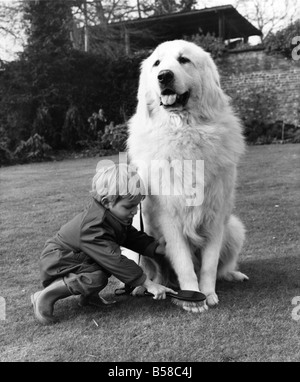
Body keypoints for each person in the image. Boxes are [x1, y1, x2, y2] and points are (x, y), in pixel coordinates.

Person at [31, 163, 176, 325]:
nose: (135, 211)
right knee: (96, 277)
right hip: (58, 261)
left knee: (101, 267)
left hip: (74, 259)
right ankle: (45, 296)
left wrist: (155, 247)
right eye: (129, 206)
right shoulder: (94, 226)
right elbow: (114, 259)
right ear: (107, 202)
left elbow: (131, 237)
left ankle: (89, 298)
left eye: (137, 205)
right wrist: (147, 283)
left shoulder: (113, 217)